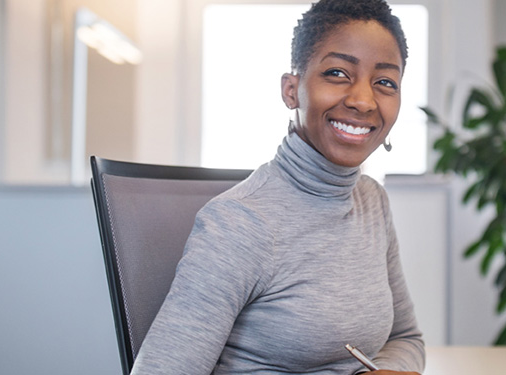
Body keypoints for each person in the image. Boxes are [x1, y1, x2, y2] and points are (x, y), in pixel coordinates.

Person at [129, 0, 424, 374]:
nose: (363, 100)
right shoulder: (239, 223)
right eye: (337, 73)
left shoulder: (371, 201)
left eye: (385, 82)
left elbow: (406, 337)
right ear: (291, 90)